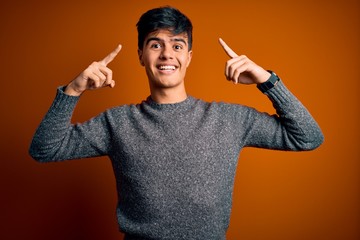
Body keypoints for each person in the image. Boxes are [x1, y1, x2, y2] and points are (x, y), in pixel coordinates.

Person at [29, 6, 324, 240]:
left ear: (189, 56)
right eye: (155, 45)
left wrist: (267, 80)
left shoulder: (230, 119)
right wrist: (73, 90)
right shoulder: (117, 122)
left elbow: (308, 137)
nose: (167, 54)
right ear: (141, 56)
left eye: (178, 45)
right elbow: (44, 149)